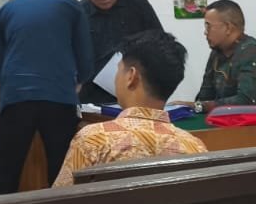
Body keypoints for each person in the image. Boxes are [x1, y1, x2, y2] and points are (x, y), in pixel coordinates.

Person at [54, 30, 207, 187]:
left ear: (131, 76)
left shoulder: (93, 140)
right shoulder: (193, 147)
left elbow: (61, 197)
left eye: (119, 69)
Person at [0, 0, 94, 195]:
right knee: (61, 176)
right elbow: (86, 58)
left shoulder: (5, 10)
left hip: (15, 98)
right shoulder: (70, 5)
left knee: (5, 176)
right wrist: (78, 80)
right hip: (59, 97)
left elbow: (1, 64)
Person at [79, 0, 162, 104]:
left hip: (136, 91)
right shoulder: (79, 13)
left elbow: (160, 42)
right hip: (92, 97)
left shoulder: (137, 4)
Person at [193, 0, 256, 112]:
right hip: (224, 118)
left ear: (228, 28)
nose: (205, 32)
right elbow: (205, 96)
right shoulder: (217, 53)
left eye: (208, 26)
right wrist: (194, 106)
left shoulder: (251, 51)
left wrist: (201, 106)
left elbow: (245, 101)